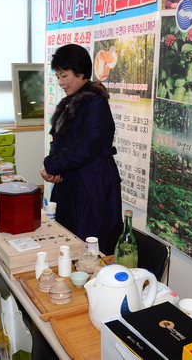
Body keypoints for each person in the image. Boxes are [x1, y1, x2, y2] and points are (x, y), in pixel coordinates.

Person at [41, 44, 122, 255]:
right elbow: (57, 140)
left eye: (64, 75)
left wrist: (51, 165)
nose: (60, 82)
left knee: (91, 248)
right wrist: (54, 171)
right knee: (66, 242)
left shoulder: (96, 103)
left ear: (81, 72)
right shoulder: (69, 103)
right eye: (58, 76)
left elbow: (86, 148)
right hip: (71, 184)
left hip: (93, 186)